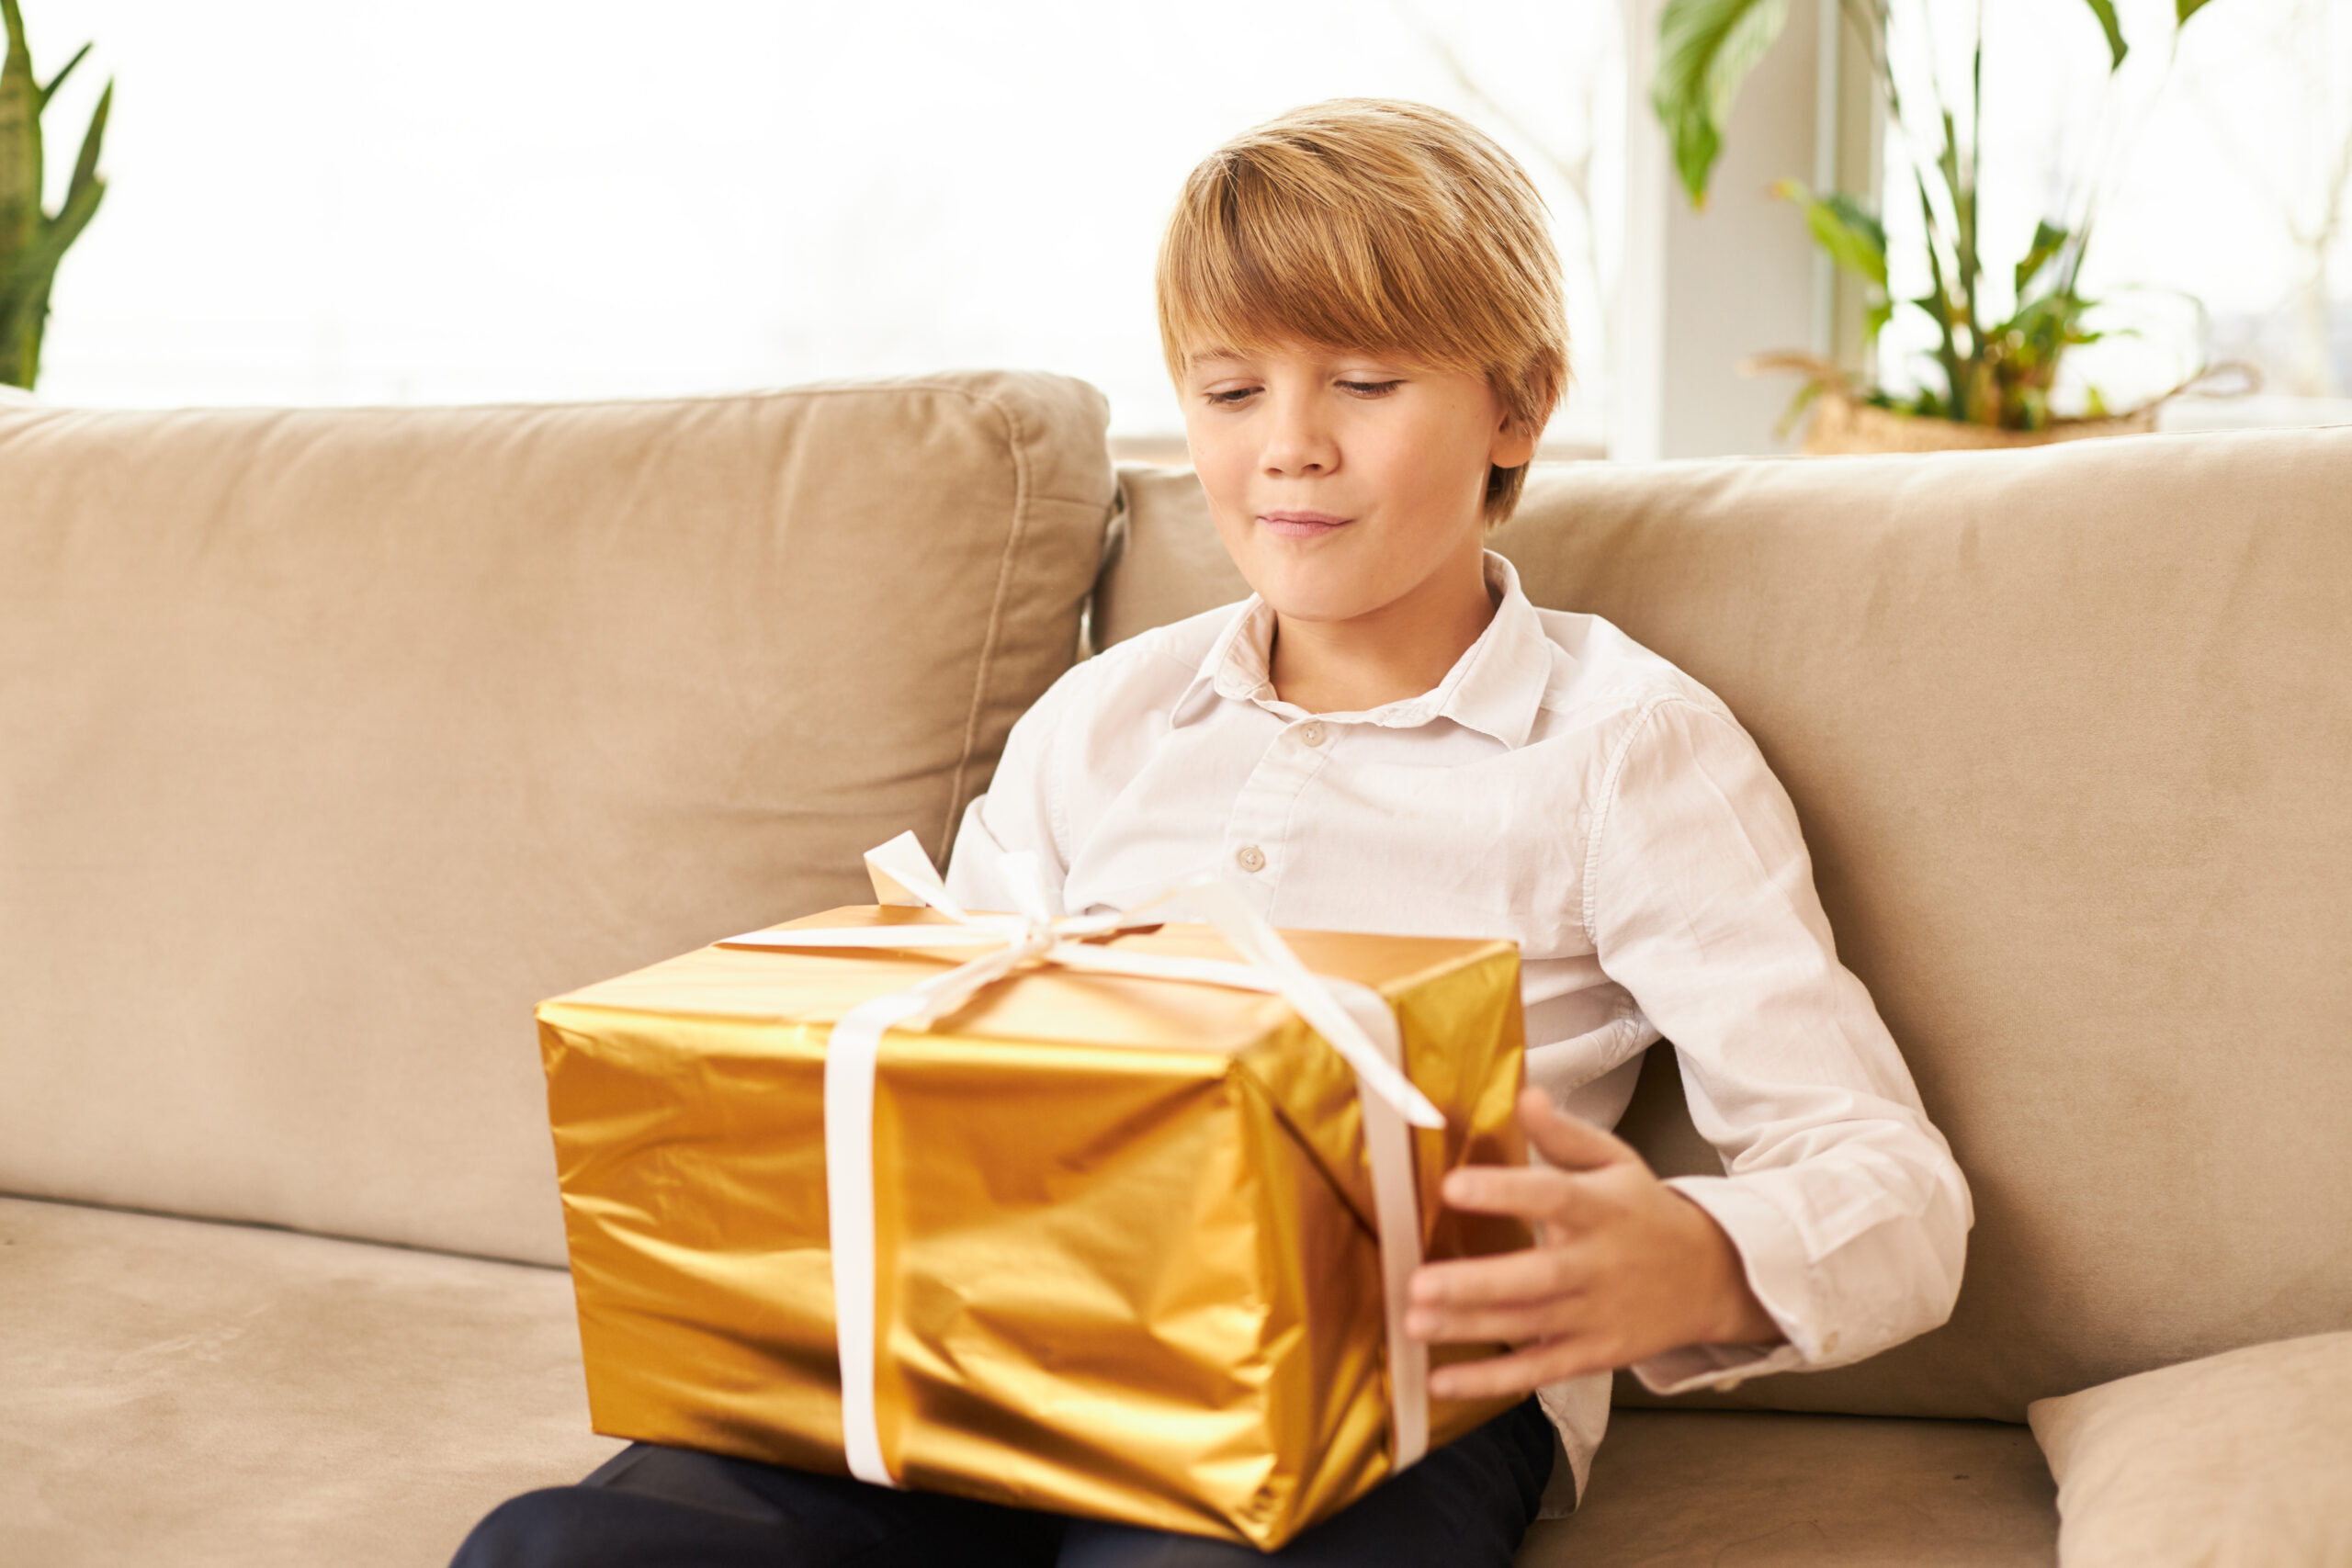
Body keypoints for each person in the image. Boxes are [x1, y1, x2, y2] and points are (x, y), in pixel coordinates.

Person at [452, 97, 1969, 1568]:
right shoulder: (1104, 721)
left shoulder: (1624, 749)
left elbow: (1888, 1181)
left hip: (1390, 1389)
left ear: (1518, 404)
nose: (1287, 448)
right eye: (1232, 391)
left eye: (1364, 385)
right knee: (572, 1544)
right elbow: (940, 1047)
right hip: (996, 1346)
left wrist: (1695, 1258)